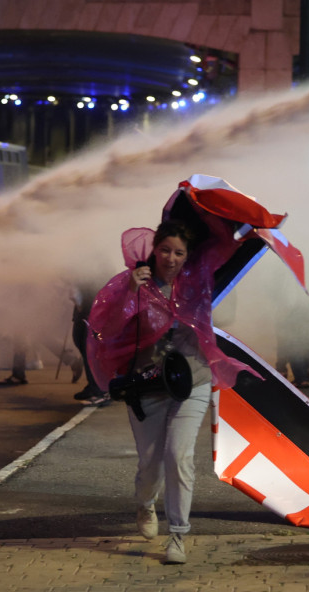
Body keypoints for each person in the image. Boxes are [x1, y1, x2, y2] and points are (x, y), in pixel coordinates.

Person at [87, 219, 257, 565]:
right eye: (165, 250)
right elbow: (108, 329)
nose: (171, 258)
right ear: (154, 250)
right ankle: (145, 503)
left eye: (179, 253)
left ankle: (178, 534)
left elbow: (227, 315)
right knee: (151, 463)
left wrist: (215, 289)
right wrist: (129, 294)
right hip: (146, 384)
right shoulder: (132, 284)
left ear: (188, 255)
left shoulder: (199, 283)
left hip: (192, 381)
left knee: (178, 457)